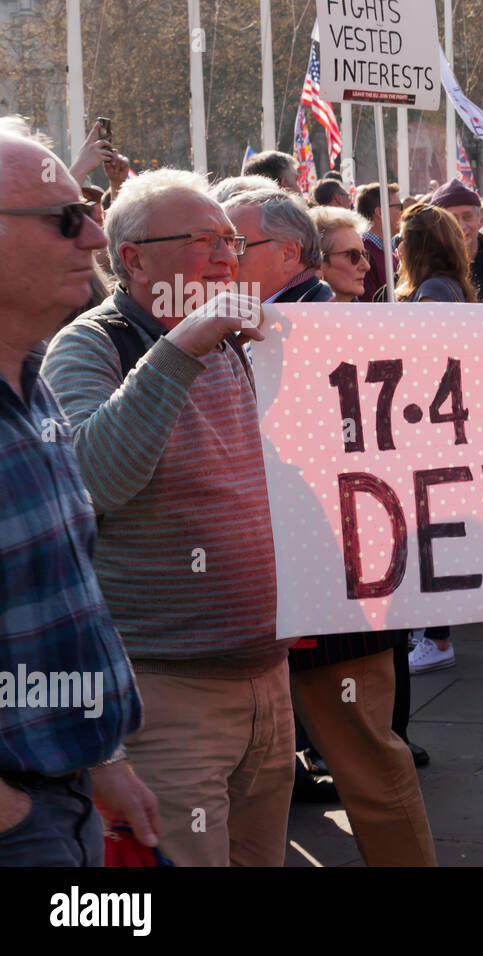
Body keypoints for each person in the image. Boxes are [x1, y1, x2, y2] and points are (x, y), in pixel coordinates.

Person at [41, 168, 296, 867]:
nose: (225, 255)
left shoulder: (241, 345)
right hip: (168, 695)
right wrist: (185, 343)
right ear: (133, 258)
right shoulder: (90, 347)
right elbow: (92, 480)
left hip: (268, 680)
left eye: (231, 239)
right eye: (203, 239)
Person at [0, 116, 158, 867]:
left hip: (63, 794)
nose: (94, 237)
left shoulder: (35, 388)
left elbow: (61, 597)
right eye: (69, 219)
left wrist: (104, 760)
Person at [222, 187, 332, 302]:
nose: (223, 259)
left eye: (236, 246)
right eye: (217, 247)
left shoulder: (323, 316)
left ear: (289, 254)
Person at [397, 203, 478, 305]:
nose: (399, 247)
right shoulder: (442, 284)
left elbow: (427, 320)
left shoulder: (433, 288)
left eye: (404, 239)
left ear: (420, 247)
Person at [311, 206, 370, 302]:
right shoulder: (293, 315)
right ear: (319, 263)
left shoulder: (367, 315)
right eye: (353, 255)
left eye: (365, 255)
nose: (366, 266)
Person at [356, 182, 402, 302]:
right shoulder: (362, 253)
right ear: (380, 212)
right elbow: (367, 306)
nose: (403, 212)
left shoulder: (390, 253)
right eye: (399, 207)